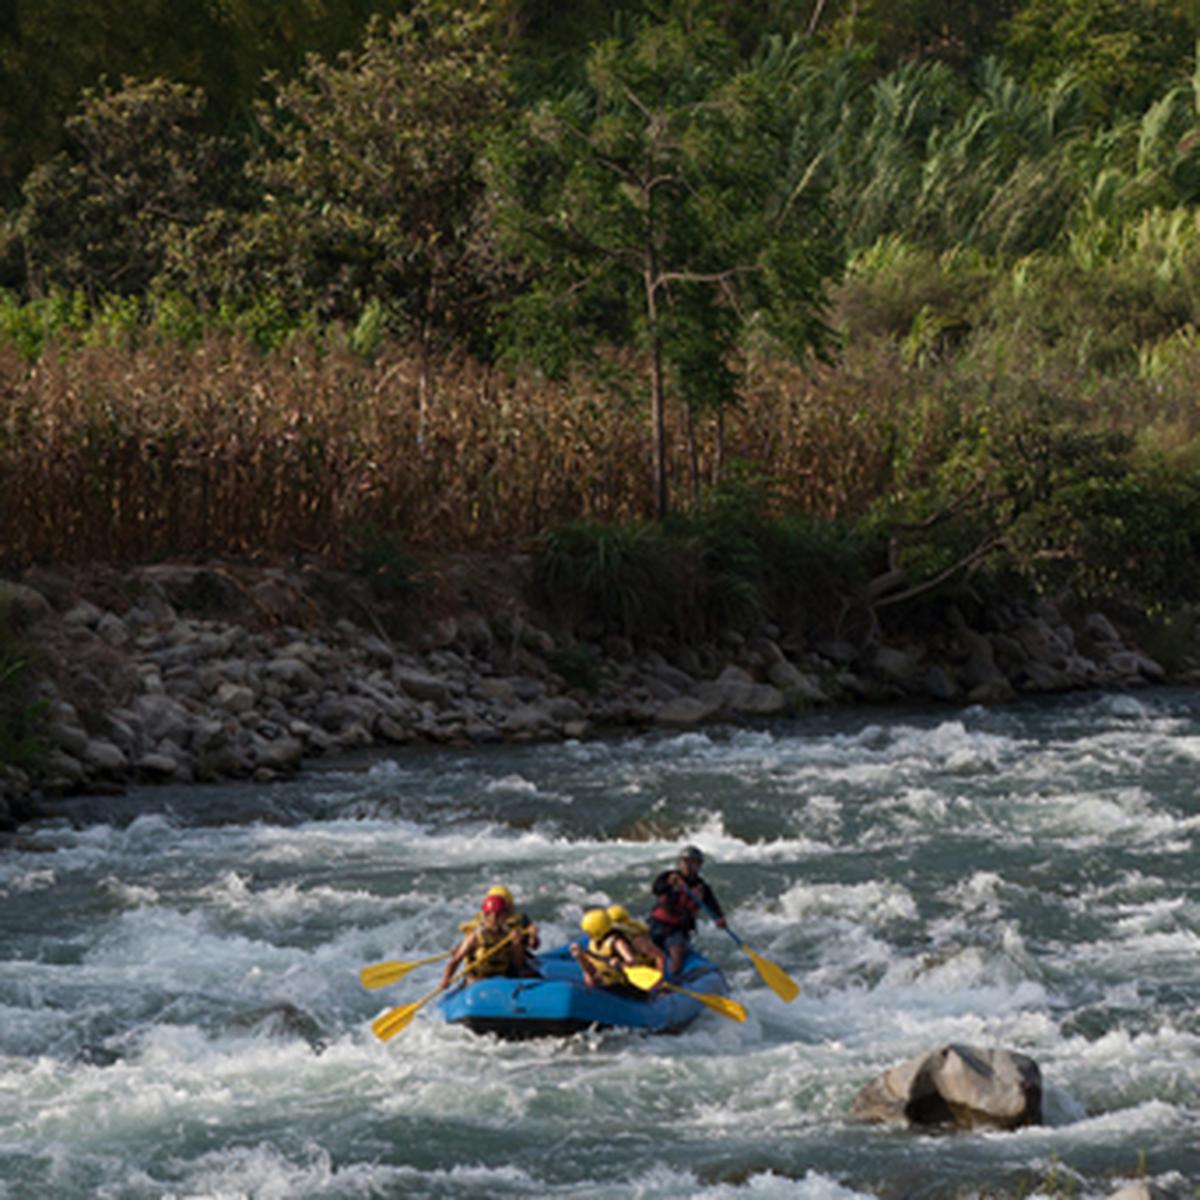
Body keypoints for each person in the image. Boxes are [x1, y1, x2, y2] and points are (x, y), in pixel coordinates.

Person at [649, 845, 725, 977]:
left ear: (699, 866)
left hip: (677, 929)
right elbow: (657, 889)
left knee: (678, 955)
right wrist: (668, 883)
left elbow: (713, 905)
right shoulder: (669, 877)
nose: (689, 867)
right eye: (686, 862)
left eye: (694, 863)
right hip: (656, 923)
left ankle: (669, 983)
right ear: (680, 863)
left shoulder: (702, 887)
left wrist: (719, 918)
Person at [441, 892, 526, 988]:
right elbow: (456, 960)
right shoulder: (475, 936)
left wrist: (517, 944)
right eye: (503, 913)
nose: (506, 916)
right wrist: (446, 978)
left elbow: (518, 963)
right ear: (493, 915)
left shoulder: (507, 935)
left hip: (499, 982)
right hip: (476, 983)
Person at [570, 908, 658, 991]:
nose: (587, 933)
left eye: (588, 931)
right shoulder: (593, 942)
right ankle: (591, 993)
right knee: (588, 974)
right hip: (608, 977)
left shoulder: (618, 942)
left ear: (597, 929)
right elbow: (591, 968)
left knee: (597, 976)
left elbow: (632, 961)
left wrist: (620, 963)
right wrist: (580, 957)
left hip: (623, 982)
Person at [460, 884, 541, 960]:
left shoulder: (521, 920)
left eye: (502, 906)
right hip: (485, 961)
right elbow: (467, 944)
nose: (496, 913)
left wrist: (533, 936)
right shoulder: (479, 922)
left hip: (512, 961)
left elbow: (534, 946)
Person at [606, 903, 665, 975]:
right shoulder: (615, 937)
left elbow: (659, 956)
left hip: (646, 962)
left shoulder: (637, 938)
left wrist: (658, 976)